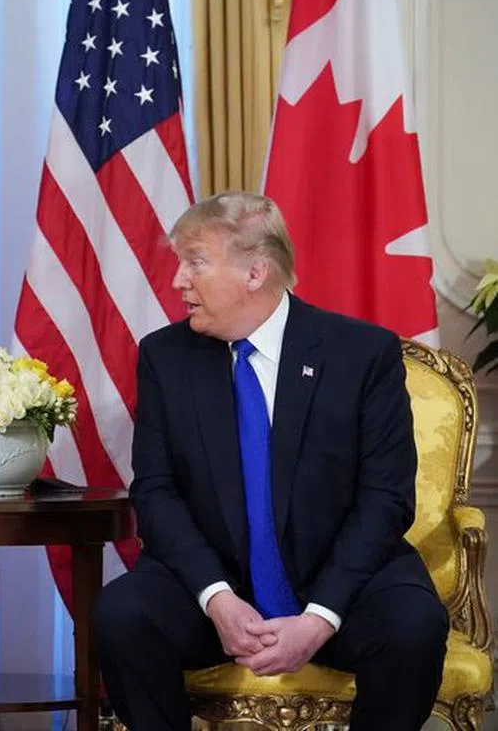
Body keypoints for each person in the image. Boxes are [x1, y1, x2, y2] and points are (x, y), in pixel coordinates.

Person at [94, 192, 448, 730]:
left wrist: (320, 617)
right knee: (123, 614)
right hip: (216, 588)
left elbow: (386, 498)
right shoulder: (165, 357)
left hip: (339, 583)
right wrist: (217, 598)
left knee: (414, 625)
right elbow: (157, 492)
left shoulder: (362, 355)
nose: (178, 282)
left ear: (255, 272)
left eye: (196, 263)